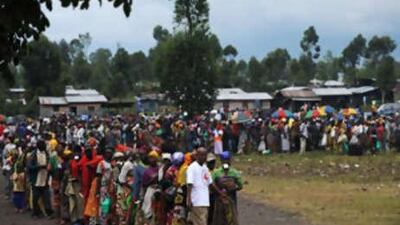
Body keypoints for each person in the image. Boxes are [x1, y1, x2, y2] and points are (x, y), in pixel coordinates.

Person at [187, 147, 223, 225]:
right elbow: (189, 184)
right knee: (201, 222)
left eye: (204, 155)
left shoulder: (205, 168)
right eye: (201, 155)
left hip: (205, 201)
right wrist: (189, 198)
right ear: (197, 156)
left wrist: (220, 193)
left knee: (202, 222)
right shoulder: (192, 168)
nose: (203, 157)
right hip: (196, 201)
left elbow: (210, 184)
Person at [211, 151, 242, 225]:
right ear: (221, 160)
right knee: (219, 219)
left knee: (232, 218)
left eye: (227, 160)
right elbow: (211, 185)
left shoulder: (234, 173)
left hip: (231, 199)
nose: (226, 162)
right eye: (224, 160)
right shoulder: (216, 172)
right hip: (219, 200)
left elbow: (240, 186)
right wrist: (219, 191)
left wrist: (232, 188)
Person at [28, 139, 54, 218]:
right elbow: (29, 167)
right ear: (39, 146)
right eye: (43, 146)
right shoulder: (33, 155)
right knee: (35, 197)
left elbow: (50, 163)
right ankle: (35, 213)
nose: (45, 147)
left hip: (45, 178)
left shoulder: (46, 154)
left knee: (46, 197)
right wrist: (40, 167)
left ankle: (48, 212)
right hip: (36, 179)